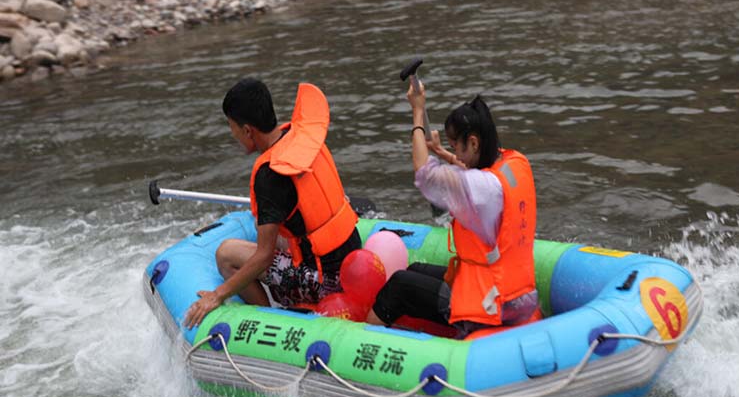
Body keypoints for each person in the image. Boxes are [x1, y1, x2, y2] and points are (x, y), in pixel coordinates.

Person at [365, 81, 540, 338]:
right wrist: (442, 153)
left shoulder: (483, 187)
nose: (457, 154)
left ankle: (360, 346)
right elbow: (474, 165)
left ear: (473, 142)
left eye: (456, 146)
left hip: (492, 303)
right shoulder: (513, 163)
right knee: (414, 271)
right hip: (517, 291)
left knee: (399, 285)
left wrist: (417, 112)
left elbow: (423, 173)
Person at [185, 78, 361, 328]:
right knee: (270, 233)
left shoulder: (269, 175)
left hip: (327, 282)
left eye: (231, 126)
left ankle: (268, 320)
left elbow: (264, 257)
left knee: (226, 254)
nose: (232, 134)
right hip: (352, 259)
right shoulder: (299, 136)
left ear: (248, 130)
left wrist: (218, 294)